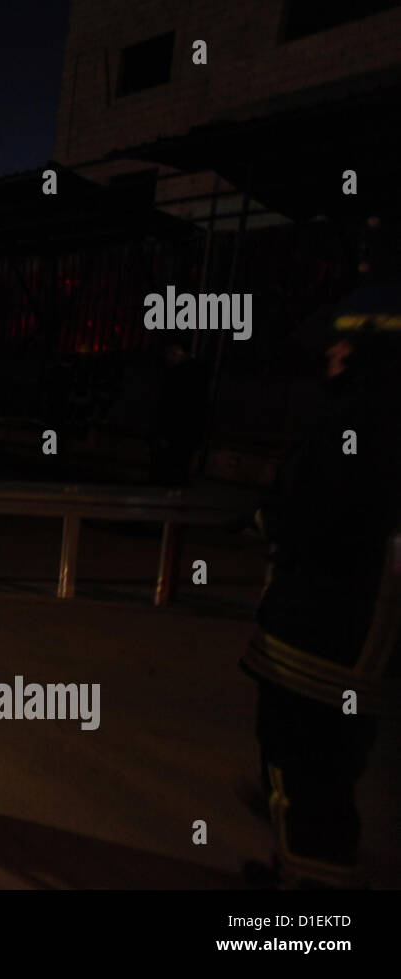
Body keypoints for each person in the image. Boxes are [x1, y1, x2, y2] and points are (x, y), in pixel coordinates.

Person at [240, 280, 401, 888]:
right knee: (327, 768)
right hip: (356, 638)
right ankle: (299, 875)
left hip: (322, 638)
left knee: (303, 767)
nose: (330, 354)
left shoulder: (354, 429)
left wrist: (268, 514)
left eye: (342, 345)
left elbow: (306, 514)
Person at [149, 343, 207, 485]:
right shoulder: (198, 374)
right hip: (186, 431)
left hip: (175, 431)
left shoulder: (178, 375)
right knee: (179, 468)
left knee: (169, 468)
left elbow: (170, 405)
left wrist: (162, 430)